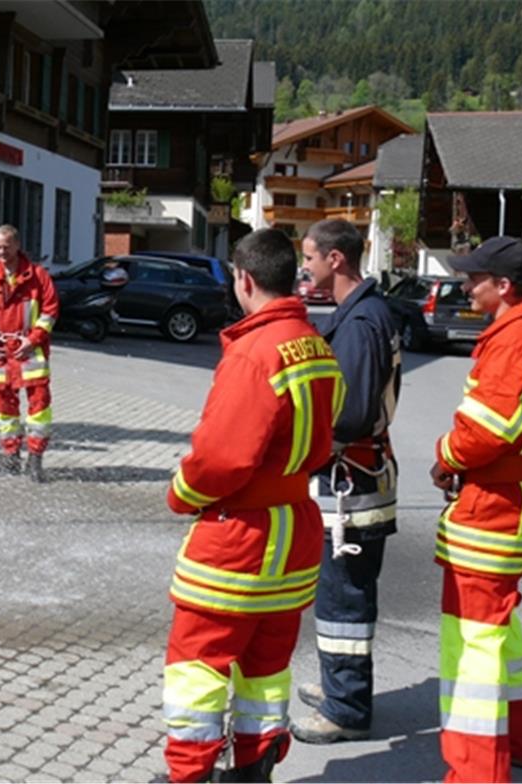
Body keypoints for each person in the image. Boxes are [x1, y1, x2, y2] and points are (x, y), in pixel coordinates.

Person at [161, 228, 344, 783]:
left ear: (243, 279)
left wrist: (180, 493)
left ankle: (188, 777)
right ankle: (254, 771)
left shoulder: (254, 352)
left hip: (238, 538)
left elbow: (220, 459)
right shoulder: (315, 344)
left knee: (198, 668)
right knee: (265, 669)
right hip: (294, 533)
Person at [428, 236, 522, 782]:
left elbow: (486, 433)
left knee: (473, 646)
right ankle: (517, 743)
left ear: (505, 286)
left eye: (475, 278)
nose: (465, 285)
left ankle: (475, 772)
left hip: (490, 507)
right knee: (501, 632)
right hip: (515, 504)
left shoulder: (514, 340)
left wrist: (444, 456)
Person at [291, 219, 402, 745]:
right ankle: (343, 689)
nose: (304, 266)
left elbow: (352, 414)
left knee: (344, 602)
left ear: (336, 260)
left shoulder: (359, 324)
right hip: (355, 484)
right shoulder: (364, 312)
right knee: (342, 598)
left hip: (349, 490)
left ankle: (347, 709)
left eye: (310, 257)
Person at [0, 225, 59, 482]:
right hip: (0, 354)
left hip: (30, 353)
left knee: (39, 407)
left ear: (17, 245)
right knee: (4, 409)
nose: (0, 252)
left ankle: (35, 459)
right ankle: (10, 457)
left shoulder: (38, 277)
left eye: (5, 247)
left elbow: (50, 311)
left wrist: (33, 340)